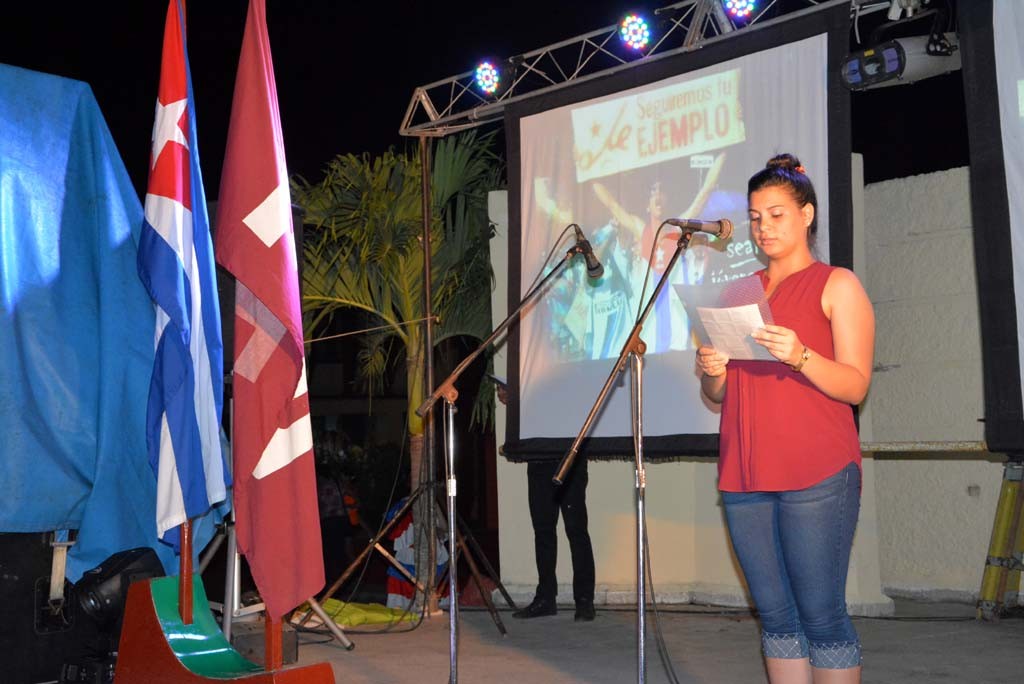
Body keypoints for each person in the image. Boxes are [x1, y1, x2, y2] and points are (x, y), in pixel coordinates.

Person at [696, 154, 874, 684]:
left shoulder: (836, 284)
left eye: (776, 214)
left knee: (821, 616)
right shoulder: (738, 292)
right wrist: (712, 370)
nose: (763, 227)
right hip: (744, 473)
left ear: (807, 215)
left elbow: (856, 384)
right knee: (775, 619)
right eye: (755, 216)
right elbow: (718, 392)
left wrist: (800, 355)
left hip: (816, 472)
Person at [496, 382, 596, 622]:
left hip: (570, 455)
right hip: (538, 455)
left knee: (576, 530)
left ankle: (584, 602)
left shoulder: (575, 366)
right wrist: (511, 397)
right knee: (543, 531)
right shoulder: (531, 366)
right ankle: (545, 598)